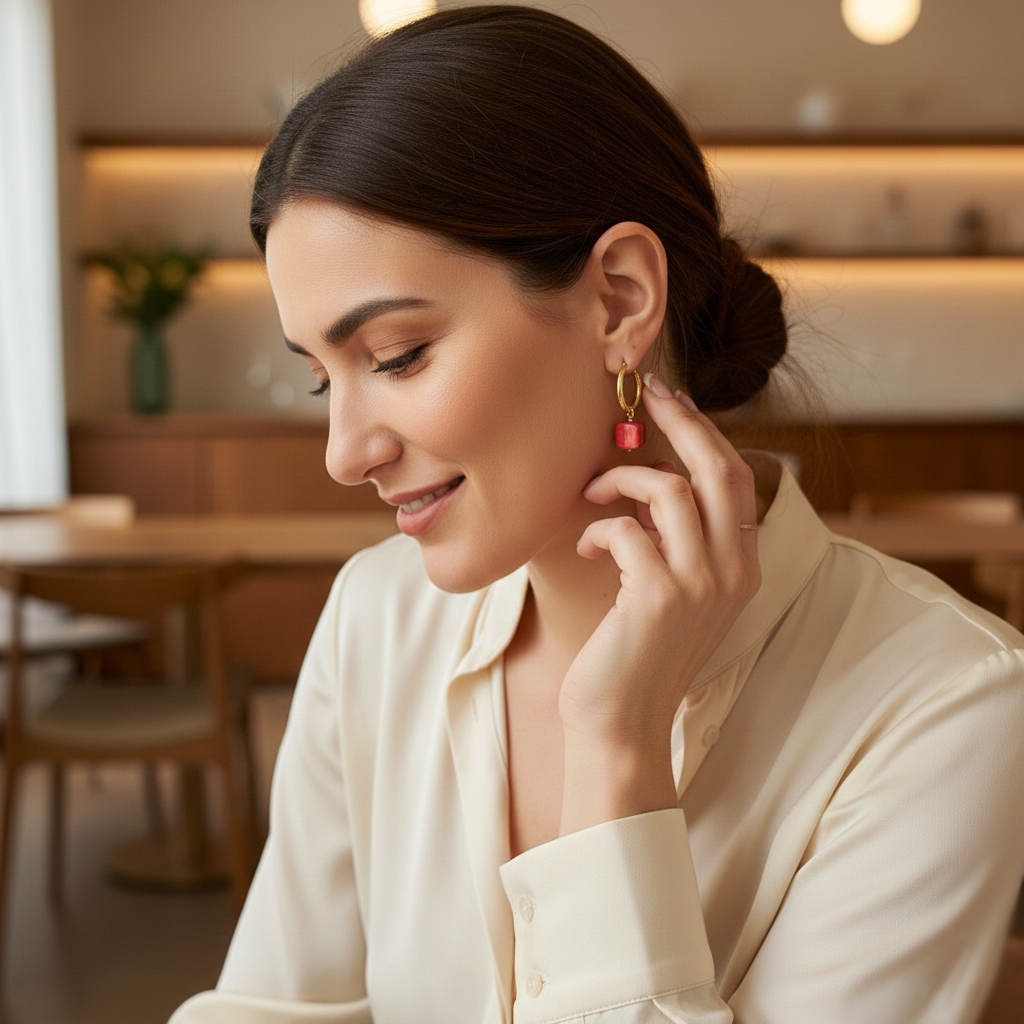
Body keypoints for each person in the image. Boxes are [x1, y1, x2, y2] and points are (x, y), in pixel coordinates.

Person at [170, 7, 1024, 1022]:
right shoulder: (376, 616)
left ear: (619, 300)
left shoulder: (946, 704)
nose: (344, 453)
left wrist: (617, 750)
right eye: (323, 378)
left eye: (397, 356)